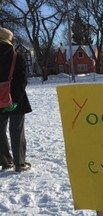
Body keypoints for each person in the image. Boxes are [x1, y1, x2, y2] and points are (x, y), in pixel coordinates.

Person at [0, 27, 32, 172]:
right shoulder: (16, 56)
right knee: (17, 131)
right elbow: (22, 80)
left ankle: (5, 162)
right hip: (15, 100)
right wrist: (16, 101)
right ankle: (19, 163)